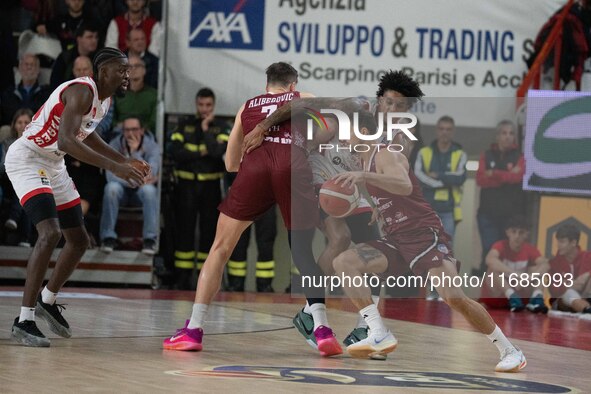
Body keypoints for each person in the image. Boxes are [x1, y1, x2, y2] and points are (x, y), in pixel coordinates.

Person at [163, 62, 341, 357]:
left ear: (266, 85)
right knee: (303, 252)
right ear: (293, 85)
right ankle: (322, 329)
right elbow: (331, 129)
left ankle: (193, 329)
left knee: (219, 249)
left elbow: (230, 164)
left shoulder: (247, 106)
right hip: (291, 167)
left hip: (255, 170)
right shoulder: (303, 97)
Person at [329, 110, 526, 372]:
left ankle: (509, 350)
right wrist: (380, 207)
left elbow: (403, 185)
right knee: (345, 262)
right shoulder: (362, 162)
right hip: (396, 238)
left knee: (454, 298)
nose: (342, 140)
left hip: (423, 234)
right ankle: (378, 331)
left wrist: (365, 178)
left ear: (363, 133)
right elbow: (393, 193)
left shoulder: (385, 154)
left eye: (345, 134)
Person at [5, 47, 149, 347]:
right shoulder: (82, 91)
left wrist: (123, 160)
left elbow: (86, 134)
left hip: (53, 162)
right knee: (50, 233)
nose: (127, 74)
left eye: (129, 69)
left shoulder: (104, 100)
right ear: (103, 71)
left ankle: (47, 300)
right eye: (121, 69)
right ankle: (25, 319)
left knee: (80, 239)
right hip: (28, 158)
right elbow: (67, 140)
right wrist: (114, 168)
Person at [168, 88, 229, 289]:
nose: (204, 109)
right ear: (196, 104)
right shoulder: (184, 124)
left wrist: (205, 130)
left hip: (211, 187)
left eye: (208, 105)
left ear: (214, 105)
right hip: (186, 186)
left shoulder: (221, 127)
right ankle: (182, 278)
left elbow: (218, 152)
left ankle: (203, 279)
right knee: (184, 230)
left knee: (208, 233)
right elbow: (175, 153)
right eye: (201, 105)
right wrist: (201, 152)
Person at [100, 116, 160, 255]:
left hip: (140, 193)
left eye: (134, 129)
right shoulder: (115, 144)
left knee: (150, 191)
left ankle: (150, 240)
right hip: (122, 189)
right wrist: (135, 180)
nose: (130, 133)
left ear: (142, 130)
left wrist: (135, 154)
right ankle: (108, 238)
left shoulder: (152, 146)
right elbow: (110, 175)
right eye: (127, 130)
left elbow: (151, 172)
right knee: (111, 189)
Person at [475, 120, 525, 275]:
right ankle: (485, 294)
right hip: (487, 214)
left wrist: (495, 173)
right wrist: (507, 175)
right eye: (504, 133)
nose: (508, 137)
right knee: (490, 249)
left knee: (506, 254)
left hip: (510, 216)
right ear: (497, 136)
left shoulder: (519, 156)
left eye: (511, 133)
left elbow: (517, 178)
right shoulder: (486, 155)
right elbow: (480, 179)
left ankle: (505, 293)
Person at [480, 215, 549, 313]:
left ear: (526, 234)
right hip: (498, 296)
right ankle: (512, 296)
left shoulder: (530, 249)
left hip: (520, 296)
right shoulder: (500, 245)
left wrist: (529, 278)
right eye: (514, 231)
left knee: (538, 268)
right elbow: (489, 259)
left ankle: (537, 298)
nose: (517, 236)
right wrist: (515, 275)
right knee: (492, 270)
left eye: (521, 233)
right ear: (507, 232)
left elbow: (545, 264)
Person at [414, 115, 467, 241]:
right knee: (426, 246)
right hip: (427, 209)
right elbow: (418, 176)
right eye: (442, 129)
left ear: (453, 131)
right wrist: (443, 182)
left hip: (449, 210)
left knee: (447, 248)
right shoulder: (424, 152)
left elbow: (460, 178)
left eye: (448, 129)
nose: (445, 132)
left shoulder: (460, 154)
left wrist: (437, 175)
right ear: (437, 130)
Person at [1, 109, 34, 246]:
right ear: (14, 125)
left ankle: (14, 219)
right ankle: (24, 236)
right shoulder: (6, 143)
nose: (22, 125)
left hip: (30, 181)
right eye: (19, 122)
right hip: (8, 180)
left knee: (25, 184)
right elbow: (2, 167)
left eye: (26, 122)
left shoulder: (36, 144)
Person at [548, 224, 591, 314]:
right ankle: (587, 309)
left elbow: (583, 283)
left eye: (562, 242)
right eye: (558, 241)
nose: (558, 245)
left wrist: (587, 275)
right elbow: (554, 291)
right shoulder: (554, 263)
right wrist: (569, 286)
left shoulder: (587, 256)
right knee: (570, 293)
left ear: (573, 243)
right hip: (563, 303)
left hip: (585, 296)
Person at [1, 53, 50, 126]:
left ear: (38, 70)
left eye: (32, 65)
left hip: (37, 128)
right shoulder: (9, 93)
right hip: (14, 128)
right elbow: (6, 113)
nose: (29, 67)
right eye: (26, 64)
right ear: (20, 68)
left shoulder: (46, 93)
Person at [50, 22, 99, 88]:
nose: (94, 40)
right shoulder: (65, 57)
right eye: (89, 37)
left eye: (96, 37)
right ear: (79, 39)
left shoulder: (99, 58)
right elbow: (54, 83)